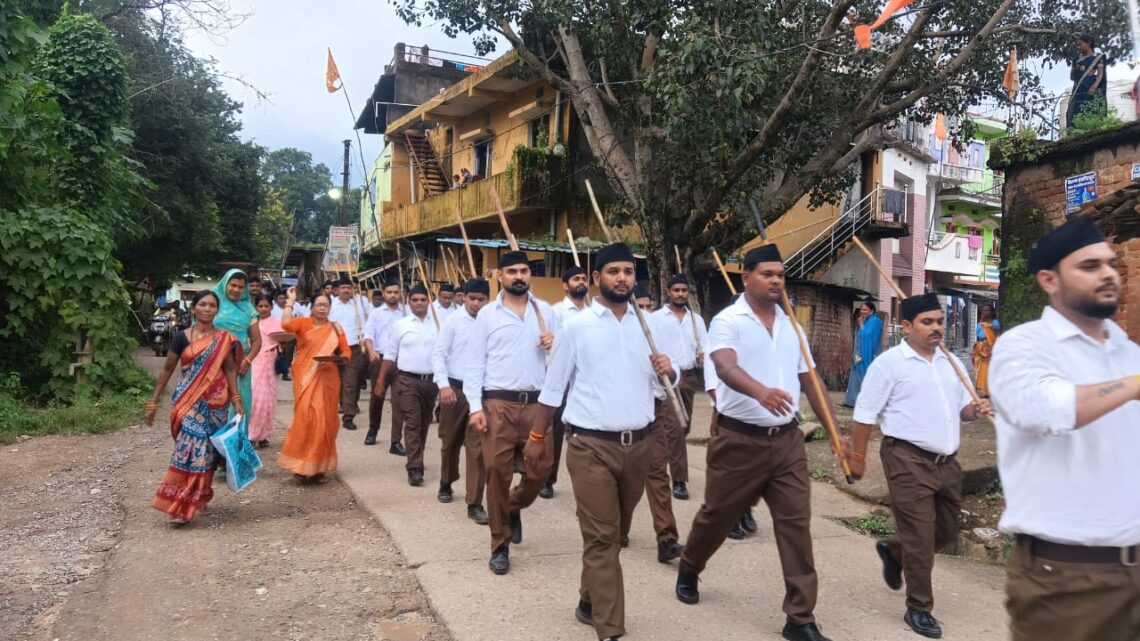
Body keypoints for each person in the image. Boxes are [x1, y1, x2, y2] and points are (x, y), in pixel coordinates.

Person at [676, 244, 839, 641]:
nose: (775, 281)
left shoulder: (793, 327)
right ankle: (690, 565)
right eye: (767, 274)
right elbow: (726, 367)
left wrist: (836, 432)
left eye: (780, 275)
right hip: (738, 440)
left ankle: (800, 618)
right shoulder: (728, 321)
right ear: (746, 276)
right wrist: (760, 391)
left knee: (796, 526)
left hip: (786, 443)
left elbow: (811, 383)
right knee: (717, 515)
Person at [987, 216, 1140, 641]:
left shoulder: (1129, 353)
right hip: (1068, 581)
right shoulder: (1022, 347)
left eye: (1110, 264)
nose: (1109, 273)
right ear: (1049, 280)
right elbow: (1046, 408)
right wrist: (1132, 386)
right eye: (1089, 266)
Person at [537, 242, 677, 641]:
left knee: (612, 535)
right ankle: (610, 628)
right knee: (602, 537)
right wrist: (536, 438)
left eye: (629, 272)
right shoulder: (576, 326)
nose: (622, 278)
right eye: (613, 271)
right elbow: (553, 388)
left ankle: (588, 600)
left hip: (639, 446)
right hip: (589, 445)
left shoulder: (648, 326)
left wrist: (672, 373)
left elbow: (662, 387)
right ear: (597, 278)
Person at [845, 292, 992, 639]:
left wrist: (977, 408)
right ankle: (919, 608)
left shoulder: (952, 363)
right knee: (921, 537)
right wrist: (859, 458)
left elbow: (963, 412)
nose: (936, 328)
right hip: (906, 458)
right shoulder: (890, 364)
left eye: (939, 321)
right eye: (928, 322)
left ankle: (895, 550)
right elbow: (864, 415)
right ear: (907, 326)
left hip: (947, 461)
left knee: (946, 530)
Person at [465, 250, 556, 575]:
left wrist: (553, 345)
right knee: (497, 473)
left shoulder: (545, 312)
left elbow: (559, 365)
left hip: (538, 405)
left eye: (525, 271)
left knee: (540, 471)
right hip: (497, 405)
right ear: (499, 276)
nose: (520, 276)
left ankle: (513, 507)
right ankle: (499, 545)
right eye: (512, 271)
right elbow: (474, 363)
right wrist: (475, 406)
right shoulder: (488, 315)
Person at [145, 289, 244, 524]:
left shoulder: (224, 339)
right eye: (203, 305)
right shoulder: (181, 337)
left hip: (216, 403)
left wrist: (236, 399)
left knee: (208, 453)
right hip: (187, 402)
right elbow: (168, 369)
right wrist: (153, 400)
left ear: (217, 310)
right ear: (193, 309)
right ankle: (180, 506)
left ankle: (200, 495)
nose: (208, 309)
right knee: (189, 450)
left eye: (212, 305)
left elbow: (230, 369)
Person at [432, 279, 491, 521]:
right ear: (463, 297)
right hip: (455, 391)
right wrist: (444, 386)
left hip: (483, 394)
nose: (476, 303)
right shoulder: (452, 322)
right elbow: (439, 354)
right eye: (472, 298)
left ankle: (474, 502)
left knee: (478, 449)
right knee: (450, 442)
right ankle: (446, 482)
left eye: (481, 299)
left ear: (488, 299)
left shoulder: (493, 322)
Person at [278, 290, 351, 483]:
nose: (322, 308)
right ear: (312, 307)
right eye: (318, 305)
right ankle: (300, 467)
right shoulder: (303, 323)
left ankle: (319, 468)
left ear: (329, 308)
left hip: (328, 377)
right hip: (305, 377)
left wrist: (341, 358)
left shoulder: (335, 328)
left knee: (326, 422)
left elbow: (346, 351)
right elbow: (285, 324)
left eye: (325, 305)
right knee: (306, 419)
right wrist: (290, 302)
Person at [652, 274, 709, 502]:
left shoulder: (696, 320)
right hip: (666, 378)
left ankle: (659, 463)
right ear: (668, 292)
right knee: (674, 427)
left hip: (688, 377)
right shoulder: (656, 318)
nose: (680, 294)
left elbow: (705, 346)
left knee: (683, 427)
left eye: (684, 290)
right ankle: (679, 480)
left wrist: (702, 356)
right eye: (676, 290)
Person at [379, 285, 439, 487]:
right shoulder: (401, 325)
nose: (419, 303)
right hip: (406, 380)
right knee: (412, 421)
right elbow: (389, 355)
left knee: (424, 422)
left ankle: (417, 455)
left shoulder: (439, 324)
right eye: (415, 300)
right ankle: (414, 468)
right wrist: (380, 380)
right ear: (409, 302)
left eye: (423, 300)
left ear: (429, 301)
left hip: (431, 383)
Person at [542, 265, 590, 499]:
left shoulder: (594, 313)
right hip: (561, 380)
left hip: (586, 380)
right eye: (576, 279)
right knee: (554, 433)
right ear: (565, 285)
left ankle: (588, 484)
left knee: (585, 434)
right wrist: (550, 339)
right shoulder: (555, 312)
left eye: (584, 278)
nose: (581, 282)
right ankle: (547, 479)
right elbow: (546, 342)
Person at [211, 269, 261, 436]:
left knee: (239, 408)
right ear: (225, 284)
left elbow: (256, 341)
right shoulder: (212, 302)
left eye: (240, 287)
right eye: (233, 285)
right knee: (212, 407)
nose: (236, 290)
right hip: (212, 364)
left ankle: (233, 456)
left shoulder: (249, 309)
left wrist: (248, 360)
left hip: (240, 368)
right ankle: (210, 457)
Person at [364, 278, 407, 448]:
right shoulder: (376, 313)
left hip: (401, 362)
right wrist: (371, 350)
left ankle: (396, 441)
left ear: (400, 293)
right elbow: (368, 335)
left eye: (396, 292)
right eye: (389, 292)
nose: (393, 295)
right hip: (380, 360)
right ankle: (372, 430)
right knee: (377, 397)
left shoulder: (407, 312)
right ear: (383, 294)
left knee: (399, 401)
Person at [329, 277, 368, 430]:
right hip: (334, 347)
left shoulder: (360, 305)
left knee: (351, 382)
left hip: (354, 347)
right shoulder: (330, 305)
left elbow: (366, 325)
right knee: (335, 380)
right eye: (343, 287)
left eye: (349, 287)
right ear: (336, 290)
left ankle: (348, 416)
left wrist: (364, 340)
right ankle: (339, 405)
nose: (346, 290)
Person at [250, 294, 283, 448]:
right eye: (260, 306)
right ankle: (252, 434)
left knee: (269, 400)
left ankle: (263, 435)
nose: (263, 309)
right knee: (257, 399)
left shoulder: (277, 323)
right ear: (256, 307)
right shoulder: (251, 322)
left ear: (271, 306)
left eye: (266, 306)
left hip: (270, 362)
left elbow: (285, 340)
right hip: (255, 362)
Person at [843, 302, 883, 407]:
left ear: (872, 311)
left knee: (864, 376)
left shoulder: (875, 321)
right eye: (861, 309)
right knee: (856, 375)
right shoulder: (866, 321)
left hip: (868, 354)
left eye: (865, 310)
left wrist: (861, 325)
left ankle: (863, 402)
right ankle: (851, 401)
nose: (862, 312)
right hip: (859, 352)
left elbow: (868, 336)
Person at [1067, 35, 1106, 129]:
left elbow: (1100, 74)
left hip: (1090, 89)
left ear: (1088, 43)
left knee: (1090, 109)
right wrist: (1075, 69)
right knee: (1075, 112)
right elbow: (1072, 77)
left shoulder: (1097, 57)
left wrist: (1094, 86)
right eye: (1078, 45)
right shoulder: (1076, 59)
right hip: (1078, 90)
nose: (1079, 47)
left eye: (1080, 44)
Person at [971, 304, 1001, 397]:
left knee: (988, 369)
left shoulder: (995, 322)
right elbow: (978, 334)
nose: (985, 312)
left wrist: (986, 325)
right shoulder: (979, 324)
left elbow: (997, 327)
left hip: (990, 348)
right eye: (983, 310)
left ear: (991, 312)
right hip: (980, 348)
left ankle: (989, 391)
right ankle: (982, 391)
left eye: (987, 310)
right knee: (979, 369)